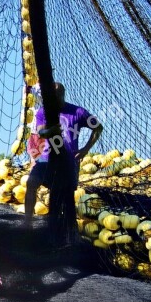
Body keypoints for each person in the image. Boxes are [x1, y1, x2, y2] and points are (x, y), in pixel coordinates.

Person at [25, 82, 103, 228]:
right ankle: (27, 222)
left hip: (67, 162)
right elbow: (41, 131)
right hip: (46, 159)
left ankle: (57, 230)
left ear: (62, 94)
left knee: (60, 199)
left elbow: (98, 127)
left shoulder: (78, 112)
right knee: (31, 183)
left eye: (58, 95)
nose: (55, 99)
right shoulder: (43, 111)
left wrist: (86, 149)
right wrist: (49, 132)